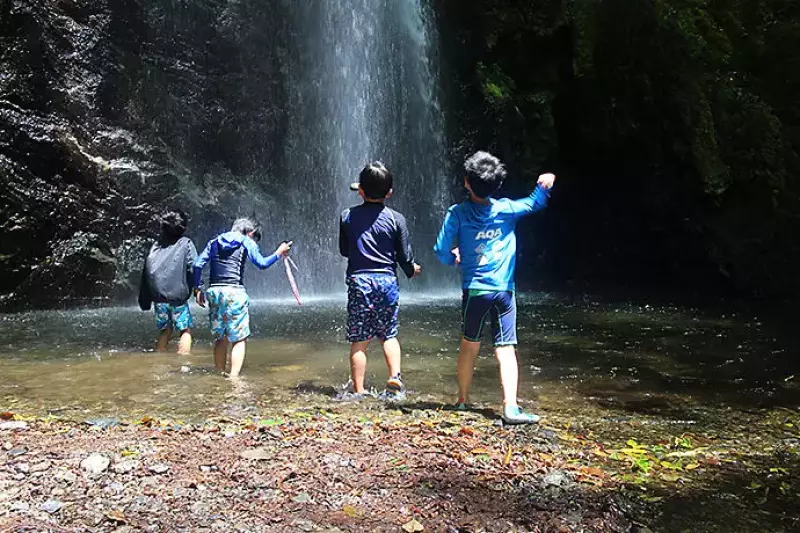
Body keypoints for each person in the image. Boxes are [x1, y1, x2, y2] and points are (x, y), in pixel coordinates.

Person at [433, 151, 555, 424]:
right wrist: (545, 183)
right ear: (498, 185)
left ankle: (463, 401)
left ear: (466, 182)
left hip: (474, 291)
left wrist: (453, 257)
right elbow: (535, 203)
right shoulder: (506, 209)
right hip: (504, 291)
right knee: (506, 349)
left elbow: (440, 250)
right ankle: (510, 406)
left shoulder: (457, 213)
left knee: (469, 346)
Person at [339, 162, 421, 398]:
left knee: (359, 339)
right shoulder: (397, 219)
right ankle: (394, 377)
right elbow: (405, 257)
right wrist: (411, 269)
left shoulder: (347, 216)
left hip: (359, 282)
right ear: (389, 193)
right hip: (386, 281)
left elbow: (345, 250)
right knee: (389, 334)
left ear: (361, 191)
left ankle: (359, 390)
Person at [193, 218, 292, 378]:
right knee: (239, 338)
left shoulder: (214, 242)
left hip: (214, 291)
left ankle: (218, 374)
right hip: (234, 292)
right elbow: (262, 264)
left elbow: (197, 265)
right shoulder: (246, 241)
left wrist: (197, 288)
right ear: (251, 233)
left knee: (220, 337)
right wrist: (278, 253)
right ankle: (233, 378)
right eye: (254, 238)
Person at [138, 210, 198, 356]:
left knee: (165, 330)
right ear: (183, 227)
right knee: (185, 329)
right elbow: (195, 266)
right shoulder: (186, 243)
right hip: (177, 298)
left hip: (159, 298)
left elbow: (147, 270)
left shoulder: (156, 245)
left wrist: (145, 299)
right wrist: (198, 288)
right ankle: (184, 361)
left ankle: (159, 357)